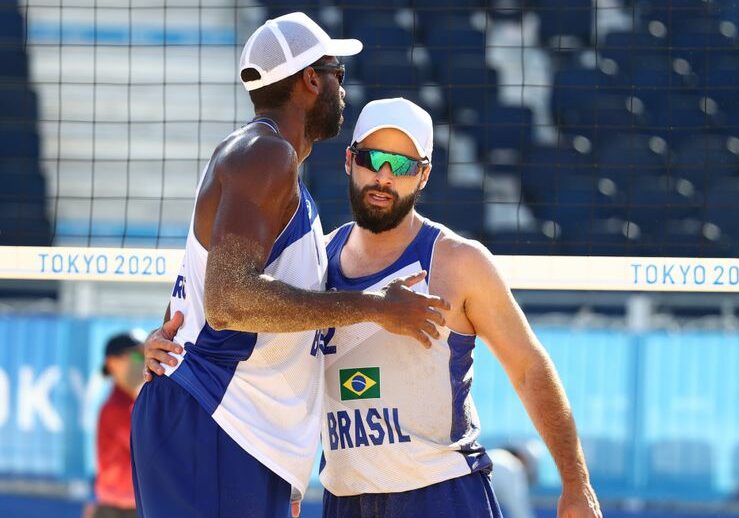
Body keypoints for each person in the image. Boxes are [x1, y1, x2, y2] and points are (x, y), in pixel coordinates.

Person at [144, 98, 602, 518]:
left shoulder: (457, 262)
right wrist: (168, 347)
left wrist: (575, 482)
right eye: (371, 159)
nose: (383, 176)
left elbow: (528, 368)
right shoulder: (314, 262)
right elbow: (255, 343)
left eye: (401, 165)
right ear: (349, 161)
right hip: (346, 499)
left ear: (423, 175)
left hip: (440, 493)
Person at [131, 14, 449, 518]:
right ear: (310, 80)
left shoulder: (271, 169)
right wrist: (378, 309)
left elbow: (214, 299)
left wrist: (289, 463)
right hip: (216, 419)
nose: (343, 88)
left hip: (240, 432)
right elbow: (229, 301)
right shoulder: (264, 154)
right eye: (337, 73)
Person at [86, 333, 144, 518]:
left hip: (129, 506)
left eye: (144, 355)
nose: (142, 360)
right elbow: (147, 449)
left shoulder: (135, 403)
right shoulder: (114, 409)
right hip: (117, 509)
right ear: (112, 363)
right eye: (136, 355)